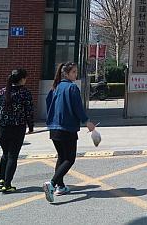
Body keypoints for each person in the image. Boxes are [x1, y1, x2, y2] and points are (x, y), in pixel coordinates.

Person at [43, 62, 95, 202]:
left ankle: (60, 186)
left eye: (76, 72)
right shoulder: (72, 88)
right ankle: (52, 183)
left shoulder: (55, 87)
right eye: (73, 72)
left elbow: (48, 104)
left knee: (61, 157)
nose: (76, 74)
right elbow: (78, 108)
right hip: (67, 128)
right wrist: (87, 121)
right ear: (66, 74)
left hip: (54, 127)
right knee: (69, 159)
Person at [0, 68, 34, 193]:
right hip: (17, 127)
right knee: (13, 155)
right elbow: (29, 112)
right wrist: (31, 126)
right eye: (25, 78)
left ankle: (1, 179)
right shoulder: (25, 92)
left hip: (3, 127)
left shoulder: (3, 91)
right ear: (22, 79)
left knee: (5, 154)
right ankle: (7, 184)